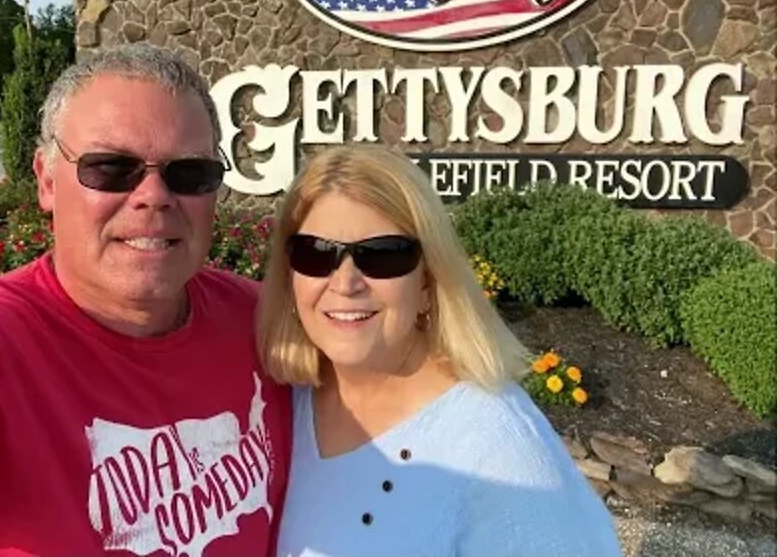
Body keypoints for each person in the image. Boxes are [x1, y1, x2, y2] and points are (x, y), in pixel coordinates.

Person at [0, 44, 292, 557]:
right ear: (46, 179)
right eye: (111, 168)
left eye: (189, 173)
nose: (154, 195)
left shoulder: (268, 324)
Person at [257, 144, 622, 557]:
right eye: (316, 253)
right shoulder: (283, 403)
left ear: (428, 283)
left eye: (382, 255)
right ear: (290, 276)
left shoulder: (493, 444)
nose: (346, 283)